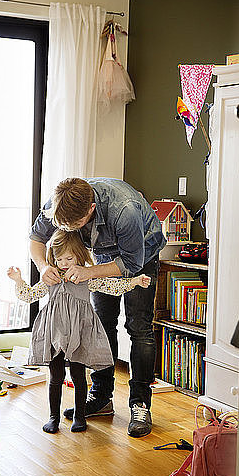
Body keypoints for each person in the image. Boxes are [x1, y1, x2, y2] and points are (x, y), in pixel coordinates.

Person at [29, 177, 166, 438]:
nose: (68, 230)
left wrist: (88, 272)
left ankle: (140, 405)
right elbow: (36, 238)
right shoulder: (61, 205)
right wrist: (43, 267)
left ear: (90, 209)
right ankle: (102, 398)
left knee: (139, 327)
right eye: (62, 226)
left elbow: (131, 264)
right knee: (101, 326)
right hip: (104, 255)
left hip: (140, 257)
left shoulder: (123, 210)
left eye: (75, 226)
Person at [7, 229, 151, 434]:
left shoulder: (85, 277)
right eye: (59, 258)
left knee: (78, 376)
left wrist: (135, 282)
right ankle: (53, 417)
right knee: (55, 376)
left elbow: (110, 286)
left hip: (79, 332)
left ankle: (80, 416)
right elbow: (29, 296)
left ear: (79, 256)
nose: (64, 263)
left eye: (69, 257)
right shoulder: (51, 278)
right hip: (54, 332)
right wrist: (18, 280)